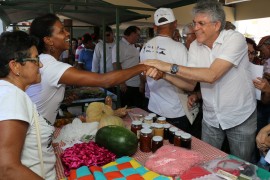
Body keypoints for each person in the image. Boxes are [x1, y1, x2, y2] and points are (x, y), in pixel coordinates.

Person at [143, 0, 256, 162]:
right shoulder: (196, 46)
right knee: (208, 163)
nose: (195, 28)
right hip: (210, 117)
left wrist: (167, 66)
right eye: (194, 23)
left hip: (239, 116)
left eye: (201, 23)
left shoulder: (234, 39)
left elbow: (211, 75)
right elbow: (189, 84)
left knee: (242, 165)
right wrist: (163, 75)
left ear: (217, 25)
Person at [26, 14, 151, 125]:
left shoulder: (46, 61)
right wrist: (145, 65)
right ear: (48, 40)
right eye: (62, 31)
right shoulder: (50, 65)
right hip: (34, 135)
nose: (68, 33)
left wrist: (61, 98)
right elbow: (105, 80)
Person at [0, 31, 56, 179]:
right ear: (15, 66)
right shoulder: (12, 96)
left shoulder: (9, 92)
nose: (41, 64)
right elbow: (7, 168)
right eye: (36, 59)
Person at [140, 8, 196, 133]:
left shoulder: (145, 46)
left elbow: (143, 77)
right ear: (175, 24)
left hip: (153, 108)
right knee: (177, 149)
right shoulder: (178, 48)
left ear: (155, 26)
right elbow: (189, 84)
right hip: (174, 111)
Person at [112, 26, 144, 108]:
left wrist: (141, 82)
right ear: (132, 34)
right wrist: (122, 83)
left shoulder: (132, 45)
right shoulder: (119, 46)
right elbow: (116, 65)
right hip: (127, 85)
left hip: (136, 84)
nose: (138, 37)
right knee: (127, 110)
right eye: (138, 35)